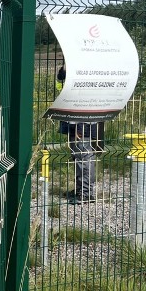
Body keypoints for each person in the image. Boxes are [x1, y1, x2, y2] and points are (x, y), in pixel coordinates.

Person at [57, 64, 98, 204]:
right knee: (80, 156)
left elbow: (82, 97)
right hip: (76, 122)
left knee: (83, 157)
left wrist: (79, 127)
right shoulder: (75, 70)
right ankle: (82, 189)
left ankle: (85, 193)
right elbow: (60, 78)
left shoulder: (84, 71)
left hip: (81, 123)